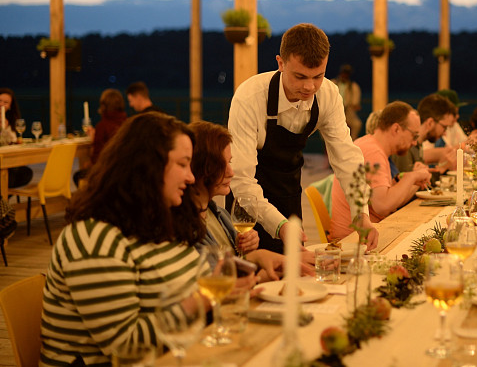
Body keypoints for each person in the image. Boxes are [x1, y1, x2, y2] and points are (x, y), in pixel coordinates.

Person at [40, 113, 216, 364]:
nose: (190, 177)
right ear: (148, 166)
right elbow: (124, 344)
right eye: (182, 164)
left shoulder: (163, 220)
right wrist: (200, 302)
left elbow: (198, 285)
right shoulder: (94, 240)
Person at [228, 23, 376, 255]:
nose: (309, 86)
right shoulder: (249, 97)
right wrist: (279, 225)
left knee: (295, 276)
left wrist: (361, 213)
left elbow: (347, 159)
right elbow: (241, 178)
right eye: (300, 76)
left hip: (289, 191)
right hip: (245, 203)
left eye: (318, 76)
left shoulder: (328, 94)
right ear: (280, 63)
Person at [188, 121, 314, 281]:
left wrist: (248, 249)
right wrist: (269, 262)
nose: (231, 172)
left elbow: (240, 264)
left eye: (230, 162)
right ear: (200, 167)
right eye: (222, 164)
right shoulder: (187, 226)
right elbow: (219, 283)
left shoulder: (217, 213)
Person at [329, 101, 432, 240]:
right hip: (353, 241)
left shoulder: (369, 144)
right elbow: (383, 206)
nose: (414, 143)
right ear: (396, 129)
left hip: (362, 236)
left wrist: (413, 180)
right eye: (414, 136)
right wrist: (412, 177)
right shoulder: (374, 153)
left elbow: (390, 200)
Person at [390, 93, 457, 174]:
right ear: (430, 123)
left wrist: (442, 168)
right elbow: (409, 183)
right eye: (444, 127)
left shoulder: (418, 145)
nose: (445, 133)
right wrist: (442, 168)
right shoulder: (406, 146)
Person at [73, 88, 128, 186]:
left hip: (107, 172)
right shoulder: (128, 123)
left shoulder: (102, 126)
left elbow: (97, 159)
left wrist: (94, 139)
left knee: (78, 176)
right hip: (125, 170)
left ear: (103, 106)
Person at [0, 88, 33, 187]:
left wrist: (5, 128)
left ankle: (4, 198)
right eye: (0, 101)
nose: (1, 104)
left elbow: (13, 140)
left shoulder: (10, 120)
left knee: (25, 172)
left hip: (6, 158)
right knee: (10, 174)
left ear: (10, 106)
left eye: (6, 102)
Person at [331, 64, 363, 139]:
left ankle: (352, 142)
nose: (344, 75)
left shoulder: (354, 86)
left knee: (357, 124)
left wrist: (352, 106)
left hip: (348, 111)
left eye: (347, 73)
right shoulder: (332, 83)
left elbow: (355, 103)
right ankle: (327, 143)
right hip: (333, 110)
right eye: (343, 73)